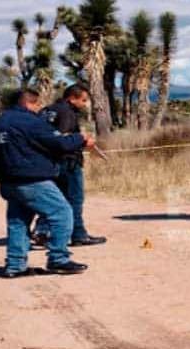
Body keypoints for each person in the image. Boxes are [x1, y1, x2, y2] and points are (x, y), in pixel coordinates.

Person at [0, 87, 96, 278]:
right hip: (31, 180)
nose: (40, 109)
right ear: (28, 103)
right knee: (62, 212)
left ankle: (15, 265)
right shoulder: (29, 121)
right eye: (37, 104)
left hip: (7, 181)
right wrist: (80, 138)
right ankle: (58, 259)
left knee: (18, 221)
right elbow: (59, 143)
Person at [33, 84, 107, 247]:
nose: (85, 104)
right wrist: (83, 141)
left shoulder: (47, 110)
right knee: (74, 198)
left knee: (54, 199)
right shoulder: (67, 112)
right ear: (72, 98)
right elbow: (62, 138)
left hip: (48, 162)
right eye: (83, 100)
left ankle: (41, 231)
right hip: (68, 162)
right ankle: (78, 234)